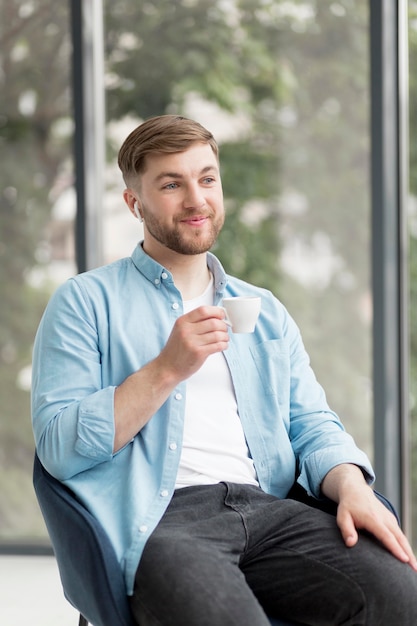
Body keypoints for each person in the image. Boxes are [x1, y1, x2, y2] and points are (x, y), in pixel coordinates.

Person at [32, 114, 417, 625]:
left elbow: (312, 423)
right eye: (172, 184)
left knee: (398, 594)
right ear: (134, 203)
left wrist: (352, 486)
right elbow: (58, 448)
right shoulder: (85, 302)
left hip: (271, 511)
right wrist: (167, 369)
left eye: (207, 178)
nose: (196, 199)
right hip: (162, 522)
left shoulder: (263, 308)